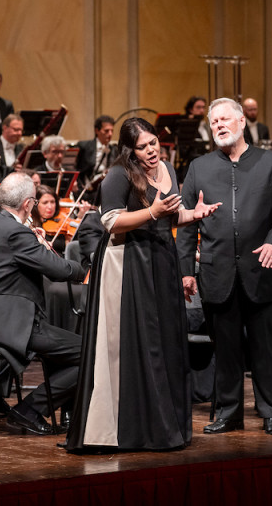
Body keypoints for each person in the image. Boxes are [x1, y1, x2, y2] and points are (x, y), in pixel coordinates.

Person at [66, 117, 219, 452]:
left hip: (162, 260)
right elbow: (110, 221)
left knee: (164, 342)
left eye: (154, 143)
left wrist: (194, 214)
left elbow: (171, 214)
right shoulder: (118, 174)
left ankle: (164, 425)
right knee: (135, 342)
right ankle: (129, 429)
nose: (152, 151)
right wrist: (151, 212)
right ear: (130, 150)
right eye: (143, 146)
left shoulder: (168, 169)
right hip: (129, 262)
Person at [177, 98, 272, 436]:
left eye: (225, 119)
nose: (219, 125)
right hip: (217, 273)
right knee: (226, 351)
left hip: (263, 270)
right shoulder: (199, 167)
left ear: (242, 122)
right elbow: (185, 222)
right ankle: (229, 413)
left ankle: (271, 410)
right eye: (214, 121)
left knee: (266, 349)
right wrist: (186, 270)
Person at [0, 172, 86, 435]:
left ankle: (66, 412)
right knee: (90, 351)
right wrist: (85, 270)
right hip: (11, 323)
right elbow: (56, 269)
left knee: (72, 347)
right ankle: (30, 410)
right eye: (35, 202)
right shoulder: (15, 232)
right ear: (27, 204)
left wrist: (32, 239)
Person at [76, 115, 117, 182]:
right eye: (106, 131)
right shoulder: (84, 147)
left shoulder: (114, 150)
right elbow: (76, 170)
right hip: (87, 188)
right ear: (97, 131)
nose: (110, 134)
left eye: (112, 131)